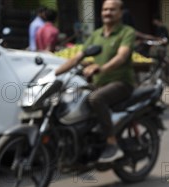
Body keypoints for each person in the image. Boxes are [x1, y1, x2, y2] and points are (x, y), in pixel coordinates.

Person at [54, 0, 136, 162]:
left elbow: (122, 56)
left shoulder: (126, 32)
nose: (107, 12)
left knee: (95, 98)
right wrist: (54, 73)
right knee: (70, 97)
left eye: (112, 10)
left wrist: (101, 68)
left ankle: (111, 142)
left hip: (121, 82)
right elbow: (77, 57)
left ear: (120, 12)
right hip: (98, 83)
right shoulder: (96, 34)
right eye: (105, 9)